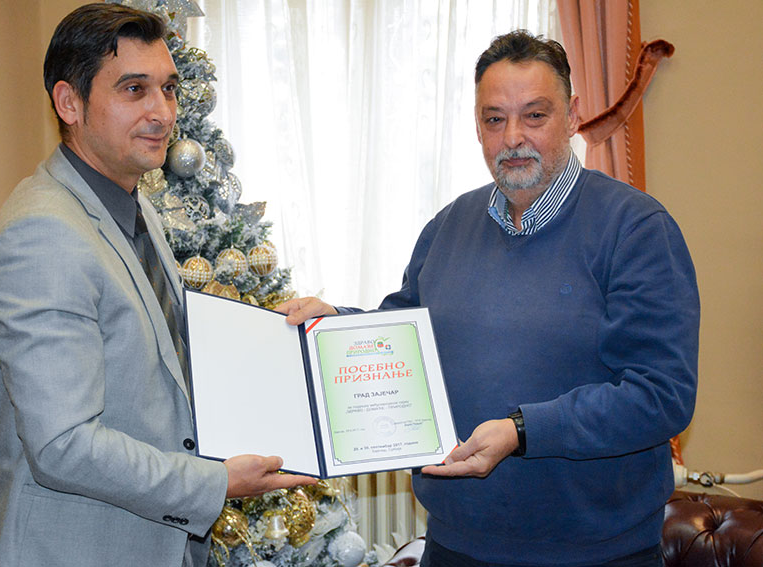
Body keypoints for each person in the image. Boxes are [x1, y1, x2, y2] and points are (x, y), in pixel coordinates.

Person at [280, 30, 699, 566]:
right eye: (495, 119)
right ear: (477, 127)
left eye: (535, 115)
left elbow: (661, 394)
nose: (513, 137)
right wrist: (335, 323)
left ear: (573, 116)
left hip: (594, 554)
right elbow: (403, 338)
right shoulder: (448, 225)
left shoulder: (636, 229)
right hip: (454, 544)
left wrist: (522, 431)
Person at [0, 4, 313, 567]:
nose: (162, 112)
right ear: (69, 103)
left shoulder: (131, 205)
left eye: (169, 89)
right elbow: (63, 445)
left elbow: (161, 369)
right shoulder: (42, 235)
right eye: (134, 89)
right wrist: (215, 482)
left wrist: (282, 341)